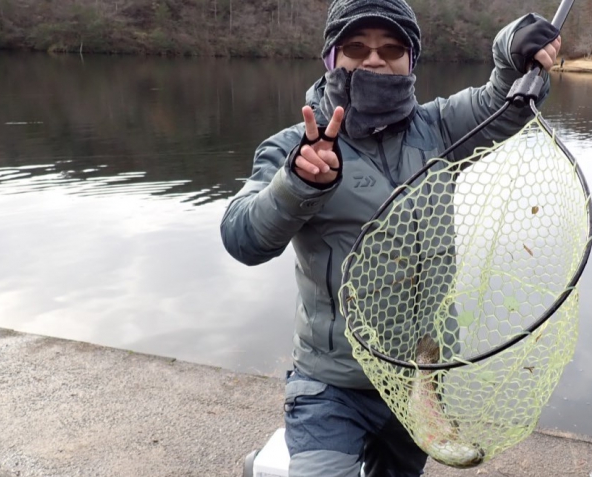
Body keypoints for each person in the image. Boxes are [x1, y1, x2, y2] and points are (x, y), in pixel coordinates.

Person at [221, 1, 561, 475]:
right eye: (356, 47)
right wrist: (297, 184)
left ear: (411, 59)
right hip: (329, 386)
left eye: (392, 49)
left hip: (419, 382)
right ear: (331, 58)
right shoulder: (293, 147)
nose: (374, 59)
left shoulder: (440, 128)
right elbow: (242, 238)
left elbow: (504, 100)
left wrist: (515, 46)